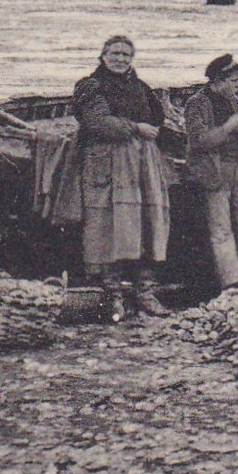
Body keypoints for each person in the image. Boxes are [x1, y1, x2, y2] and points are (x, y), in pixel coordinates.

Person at [73, 35, 171, 318]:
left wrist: (146, 131)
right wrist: (136, 128)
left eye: (126, 55)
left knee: (147, 224)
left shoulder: (140, 87)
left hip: (142, 164)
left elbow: (158, 118)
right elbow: (97, 122)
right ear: (102, 56)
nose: (120, 59)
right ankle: (112, 294)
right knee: (109, 226)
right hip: (108, 164)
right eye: (115, 54)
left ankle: (145, 292)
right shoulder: (90, 87)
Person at [183, 54, 238, 291]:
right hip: (213, 170)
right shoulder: (197, 103)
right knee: (221, 228)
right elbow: (199, 141)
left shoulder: (234, 101)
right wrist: (229, 127)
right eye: (233, 81)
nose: (237, 86)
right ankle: (231, 283)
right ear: (219, 79)